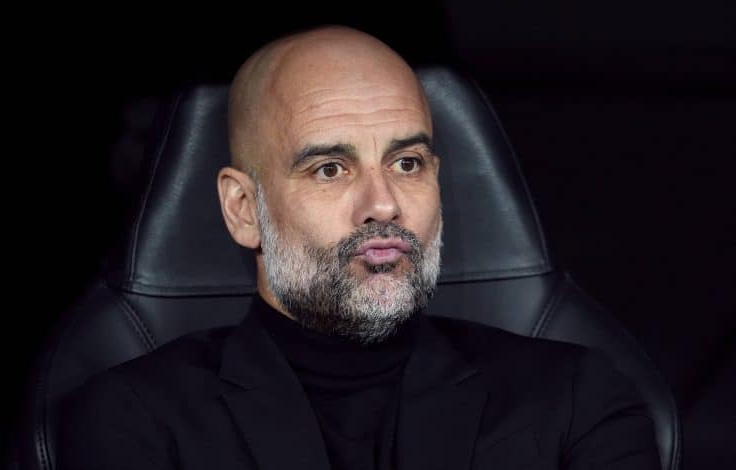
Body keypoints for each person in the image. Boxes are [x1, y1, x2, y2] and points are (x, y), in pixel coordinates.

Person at [58, 26, 660, 469]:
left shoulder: (576, 399)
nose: (384, 204)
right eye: (329, 169)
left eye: (407, 162)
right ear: (244, 209)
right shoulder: (134, 421)